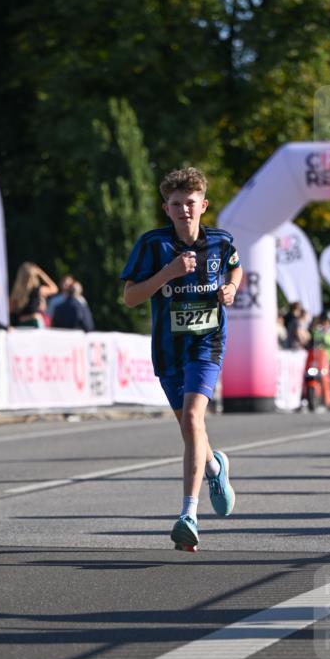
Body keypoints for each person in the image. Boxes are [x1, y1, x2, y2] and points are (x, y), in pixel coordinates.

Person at [122, 166, 242, 551]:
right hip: (167, 349)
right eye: (176, 204)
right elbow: (130, 297)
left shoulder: (221, 243)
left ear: (203, 205)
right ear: (166, 209)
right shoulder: (152, 245)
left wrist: (231, 289)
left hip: (207, 344)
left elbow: (237, 268)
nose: (184, 210)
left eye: (190, 203)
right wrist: (168, 273)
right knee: (190, 428)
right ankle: (214, 466)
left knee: (194, 419)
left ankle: (188, 515)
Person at [9, 262, 58, 327]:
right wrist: (41, 273)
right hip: (29, 324)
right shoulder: (36, 290)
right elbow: (54, 289)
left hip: (23, 325)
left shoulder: (17, 292)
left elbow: (12, 313)